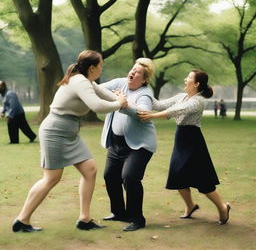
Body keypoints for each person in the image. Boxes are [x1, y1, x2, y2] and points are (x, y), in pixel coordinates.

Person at [12, 50, 128, 233]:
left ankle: (84, 219)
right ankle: (22, 220)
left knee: (89, 169)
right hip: (55, 131)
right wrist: (119, 104)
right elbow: (97, 106)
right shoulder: (80, 81)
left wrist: (121, 99)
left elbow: (105, 94)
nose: (101, 68)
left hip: (69, 131)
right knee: (51, 178)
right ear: (92, 68)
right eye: (100, 66)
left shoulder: (86, 80)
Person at [138, 69, 231, 225]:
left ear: (196, 83)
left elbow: (177, 110)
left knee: (204, 181)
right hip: (181, 139)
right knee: (177, 175)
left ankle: (222, 207)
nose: (185, 79)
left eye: (188, 77)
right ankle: (190, 206)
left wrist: (152, 116)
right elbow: (159, 105)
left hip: (194, 141)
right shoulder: (181, 96)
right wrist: (144, 90)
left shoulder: (198, 101)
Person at [93, 58, 157, 231]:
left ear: (144, 79)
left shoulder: (145, 94)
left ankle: (137, 219)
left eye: (137, 73)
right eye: (132, 69)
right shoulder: (120, 83)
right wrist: (83, 80)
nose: (132, 73)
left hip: (139, 146)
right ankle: (119, 212)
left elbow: (141, 113)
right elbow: (98, 89)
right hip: (117, 143)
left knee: (129, 177)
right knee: (110, 176)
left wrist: (122, 103)